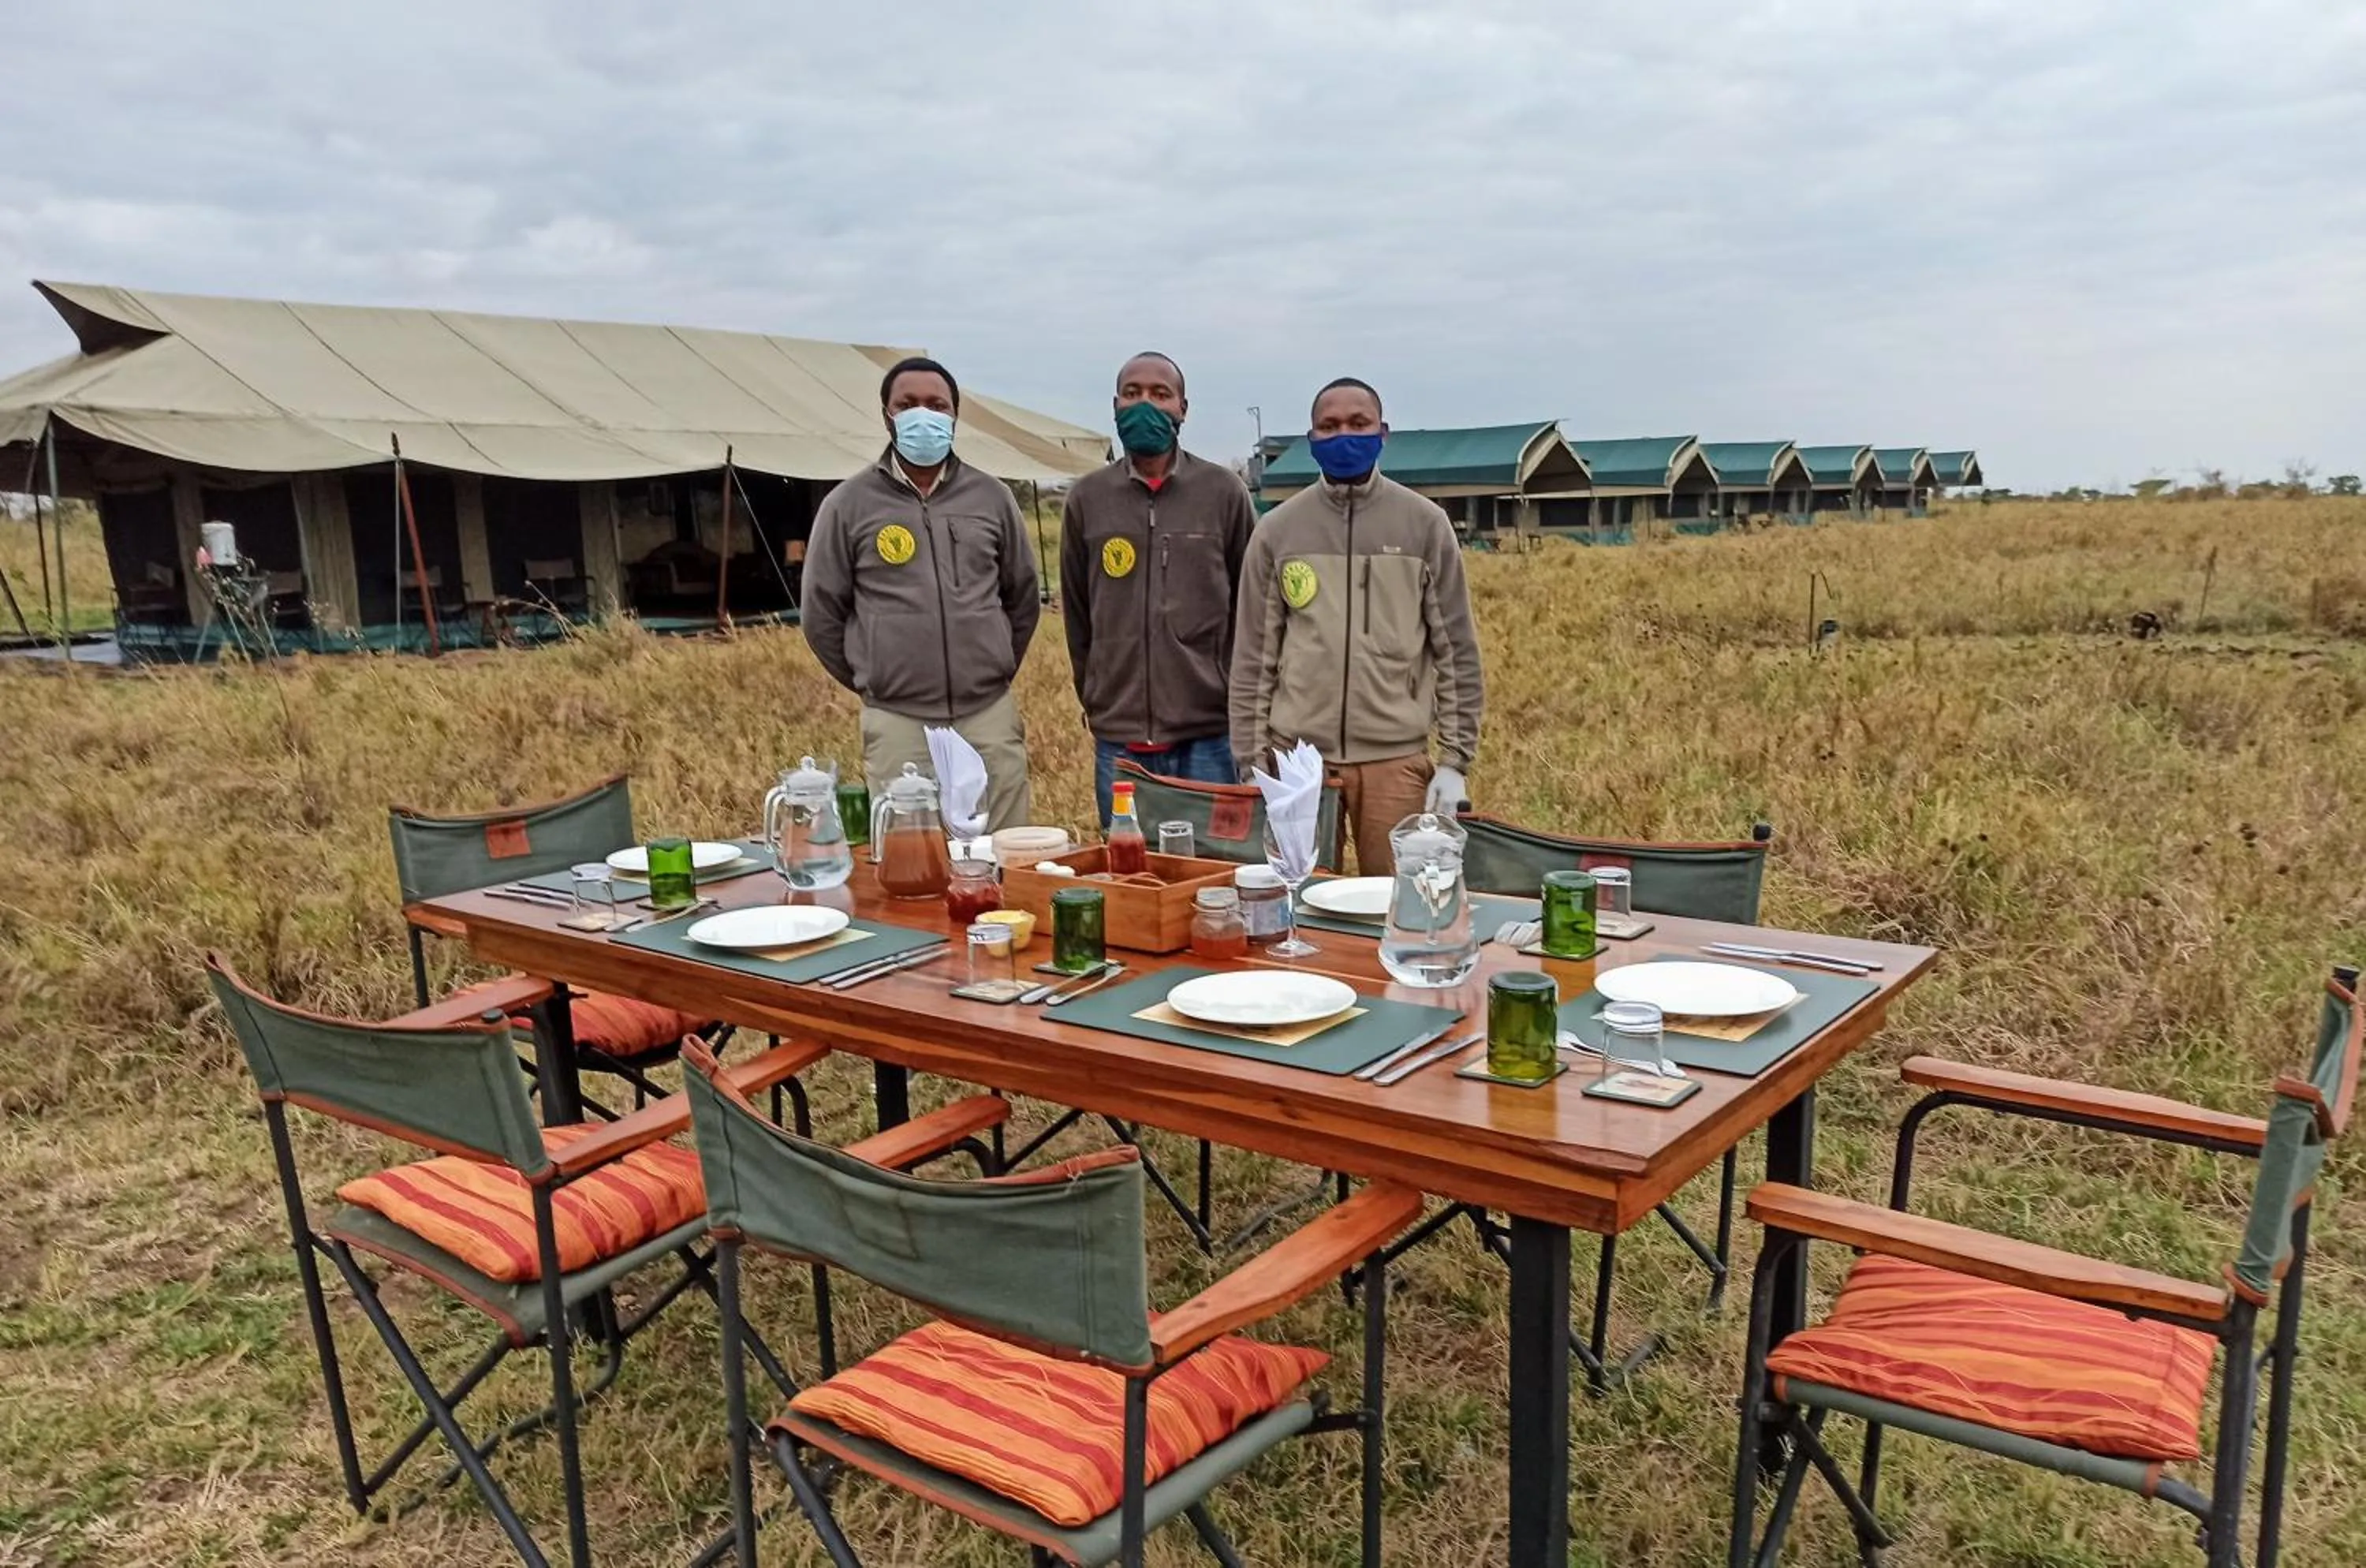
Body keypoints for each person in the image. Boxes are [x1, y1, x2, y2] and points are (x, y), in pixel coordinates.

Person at [1230, 376, 1483, 874]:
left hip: (1394, 761)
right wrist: (1251, 760)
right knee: (1294, 902)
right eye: (1329, 426)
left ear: (1382, 432)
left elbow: (1456, 650)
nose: (1343, 434)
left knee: (1391, 905)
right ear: (1311, 439)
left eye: (1357, 423)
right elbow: (1254, 657)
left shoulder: (1424, 525)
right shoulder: (1278, 530)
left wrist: (1455, 761)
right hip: (1297, 762)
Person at [802, 356, 1040, 831]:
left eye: (937, 405)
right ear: (887, 414)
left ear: (954, 415)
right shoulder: (848, 504)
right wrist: (879, 674)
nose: (923, 415)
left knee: (1007, 852)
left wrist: (989, 662)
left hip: (986, 712)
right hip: (899, 719)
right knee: (912, 859)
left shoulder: (991, 497)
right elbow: (822, 614)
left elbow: (1022, 597)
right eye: (907, 404)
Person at [1060, 351, 1256, 823]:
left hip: (1209, 734)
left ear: (1183, 409)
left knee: (1213, 874)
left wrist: (1239, 702)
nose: (1145, 404)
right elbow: (1078, 611)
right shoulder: (1087, 498)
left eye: (1160, 394)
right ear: (1115, 405)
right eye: (1133, 394)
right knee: (1129, 870)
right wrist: (1098, 697)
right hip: (1120, 739)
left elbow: (1252, 605)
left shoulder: (1223, 492)